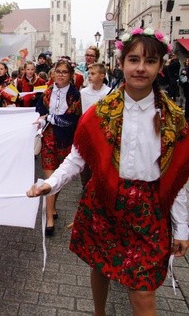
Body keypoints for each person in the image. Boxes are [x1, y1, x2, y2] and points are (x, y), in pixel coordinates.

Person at [26, 27, 189, 315]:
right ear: (122, 63)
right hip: (103, 202)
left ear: (160, 66)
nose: (141, 68)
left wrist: (182, 227)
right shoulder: (101, 113)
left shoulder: (174, 119)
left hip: (149, 210)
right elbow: (77, 159)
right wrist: (49, 183)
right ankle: (99, 312)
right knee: (100, 266)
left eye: (150, 61)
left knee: (143, 291)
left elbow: (177, 177)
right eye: (134, 60)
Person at [35, 58, 82, 236]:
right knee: (49, 177)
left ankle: (52, 206)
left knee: (59, 178)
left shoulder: (75, 95)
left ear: (71, 75)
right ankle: (49, 219)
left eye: (64, 72)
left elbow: (71, 119)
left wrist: (49, 118)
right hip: (48, 139)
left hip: (65, 141)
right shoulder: (47, 92)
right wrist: (41, 119)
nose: (60, 75)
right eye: (58, 71)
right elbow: (40, 110)